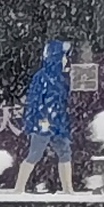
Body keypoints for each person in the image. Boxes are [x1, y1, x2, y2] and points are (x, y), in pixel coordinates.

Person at [16, 36, 75, 191]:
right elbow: (37, 102)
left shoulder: (57, 78)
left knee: (64, 152)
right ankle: (19, 187)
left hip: (55, 122)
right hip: (46, 122)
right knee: (35, 153)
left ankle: (68, 189)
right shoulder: (45, 77)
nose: (66, 61)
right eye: (64, 57)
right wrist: (42, 119)